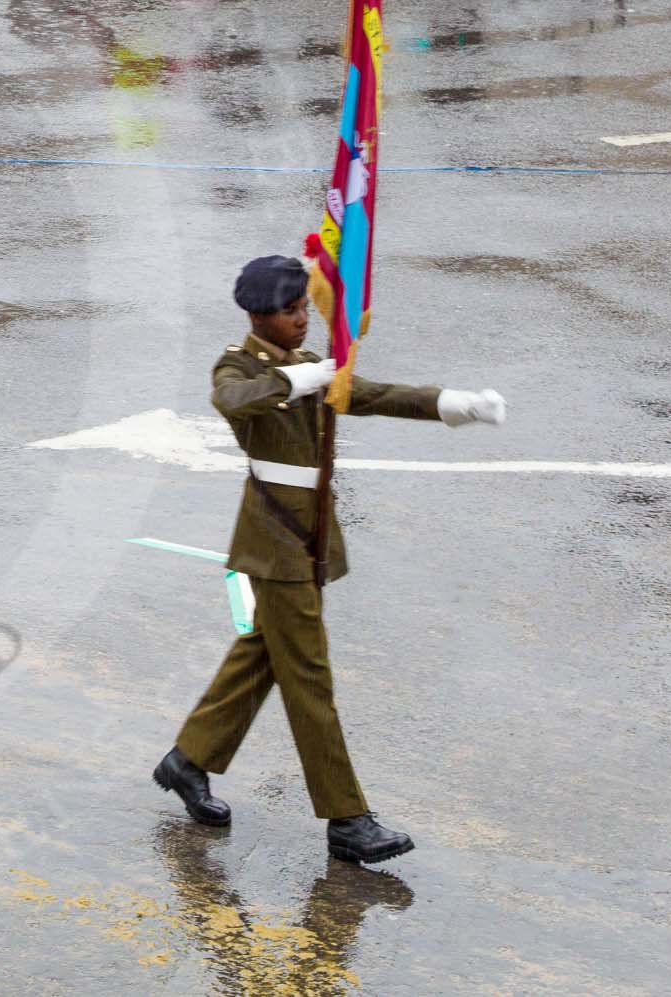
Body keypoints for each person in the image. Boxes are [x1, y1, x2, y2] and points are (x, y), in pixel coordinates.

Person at [154, 255, 505, 865]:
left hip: (306, 536)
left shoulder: (306, 366)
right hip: (276, 541)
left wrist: (455, 403)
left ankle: (188, 761)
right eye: (290, 313)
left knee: (261, 656)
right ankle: (347, 819)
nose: (301, 322)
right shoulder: (239, 366)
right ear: (258, 315)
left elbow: (374, 394)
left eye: (302, 310)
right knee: (309, 681)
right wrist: (302, 381)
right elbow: (236, 402)